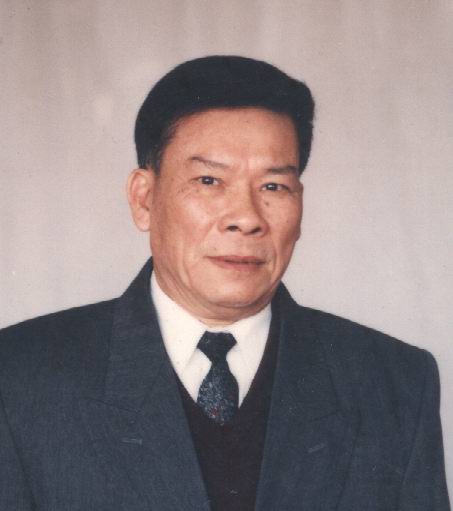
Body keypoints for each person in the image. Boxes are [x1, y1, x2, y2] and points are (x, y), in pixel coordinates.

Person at [0, 55, 449, 511]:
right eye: (210, 180)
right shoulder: (19, 378)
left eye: (273, 187)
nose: (246, 219)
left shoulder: (395, 383)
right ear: (143, 199)